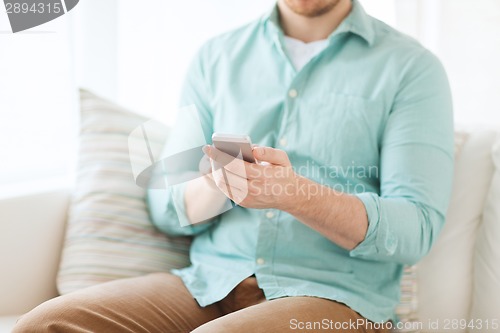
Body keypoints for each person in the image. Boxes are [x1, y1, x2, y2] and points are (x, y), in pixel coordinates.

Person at [13, 0, 453, 332]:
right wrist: (220, 183)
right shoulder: (216, 58)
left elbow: (415, 228)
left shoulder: (411, 68)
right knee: (45, 325)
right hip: (209, 283)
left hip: (336, 299)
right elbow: (168, 206)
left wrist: (295, 194)